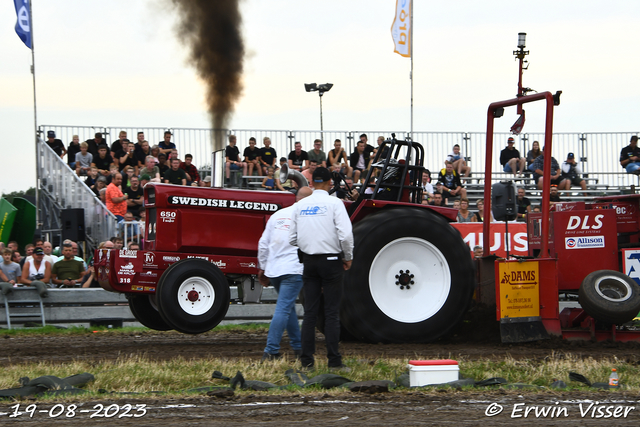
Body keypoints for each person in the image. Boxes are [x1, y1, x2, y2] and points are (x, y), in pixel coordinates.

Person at [289, 167, 354, 372]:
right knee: (332, 313)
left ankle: (307, 362)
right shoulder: (335, 203)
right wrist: (348, 257)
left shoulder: (300, 205)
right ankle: (334, 362)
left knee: (309, 314)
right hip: (332, 261)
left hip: (309, 262)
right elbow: (345, 235)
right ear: (329, 183)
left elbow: (292, 238)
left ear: (312, 183)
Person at [258, 186, 313, 361]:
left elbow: (263, 244)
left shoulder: (278, 215)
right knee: (283, 308)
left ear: (296, 198)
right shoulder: (308, 217)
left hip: (274, 270)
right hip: (294, 269)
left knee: (287, 307)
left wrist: (263, 267)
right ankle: (271, 350)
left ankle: (298, 347)